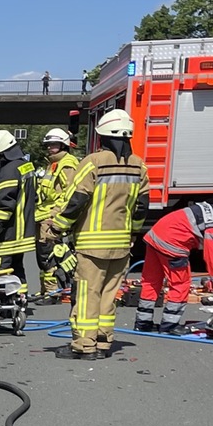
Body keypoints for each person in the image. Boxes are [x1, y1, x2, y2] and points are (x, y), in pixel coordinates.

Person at [50, 110, 149, 359]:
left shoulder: (93, 162)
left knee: (87, 294)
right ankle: (104, 341)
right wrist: (134, 233)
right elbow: (142, 206)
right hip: (122, 244)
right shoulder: (139, 166)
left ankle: (84, 345)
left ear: (102, 135)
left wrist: (58, 226)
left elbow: (77, 199)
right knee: (108, 295)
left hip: (92, 244)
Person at [136, 201, 213, 334]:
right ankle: (169, 325)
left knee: (151, 281)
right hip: (172, 242)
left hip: (156, 235)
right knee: (180, 284)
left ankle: (142, 323)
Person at [0, 129, 38, 295]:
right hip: (22, 232)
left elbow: (5, 204)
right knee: (17, 270)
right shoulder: (25, 165)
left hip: (7, 233)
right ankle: (20, 300)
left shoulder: (8, 171)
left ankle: (1, 304)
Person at [34, 128, 80, 297]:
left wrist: (55, 216)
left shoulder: (68, 164)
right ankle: (45, 290)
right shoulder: (53, 163)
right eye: (48, 144)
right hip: (42, 215)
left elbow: (69, 194)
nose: (49, 148)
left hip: (51, 217)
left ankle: (53, 292)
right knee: (42, 256)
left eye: (53, 145)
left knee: (49, 256)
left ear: (63, 145)